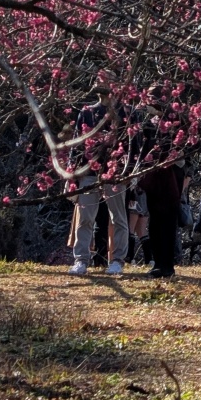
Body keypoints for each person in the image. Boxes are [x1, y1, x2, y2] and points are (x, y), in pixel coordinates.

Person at [67, 72, 135, 276]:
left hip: (116, 173)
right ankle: (81, 260)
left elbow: (133, 144)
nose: (98, 84)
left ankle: (117, 260)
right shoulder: (87, 112)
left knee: (118, 218)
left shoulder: (126, 113)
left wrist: (130, 171)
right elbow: (77, 144)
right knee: (85, 218)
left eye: (103, 80)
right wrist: (72, 173)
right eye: (97, 80)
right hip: (89, 171)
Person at [139, 151, 185, 278]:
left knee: (168, 226)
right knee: (155, 225)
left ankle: (167, 265)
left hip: (170, 184)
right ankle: (159, 263)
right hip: (155, 181)